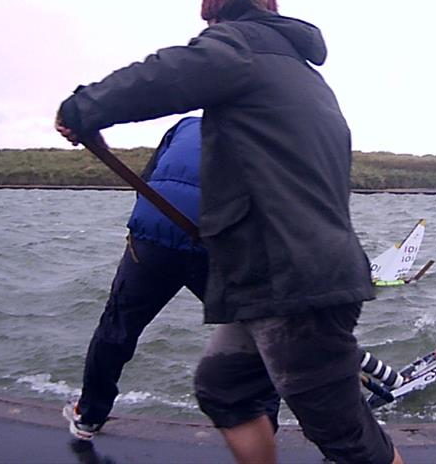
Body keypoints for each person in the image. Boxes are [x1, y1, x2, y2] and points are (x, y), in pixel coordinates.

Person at [56, 0, 403, 464]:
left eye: (207, 24)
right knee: (224, 387)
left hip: (292, 285)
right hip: (285, 274)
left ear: (217, 14)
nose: (205, 36)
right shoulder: (304, 78)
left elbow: (169, 73)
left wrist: (83, 108)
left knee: (349, 441)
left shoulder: (240, 47)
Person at [62, 117, 281, 440]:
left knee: (117, 327)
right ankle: (265, 431)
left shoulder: (185, 125)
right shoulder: (266, 133)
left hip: (153, 235)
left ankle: (90, 416)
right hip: (216, 245)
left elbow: (148, 181)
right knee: (262, 336)